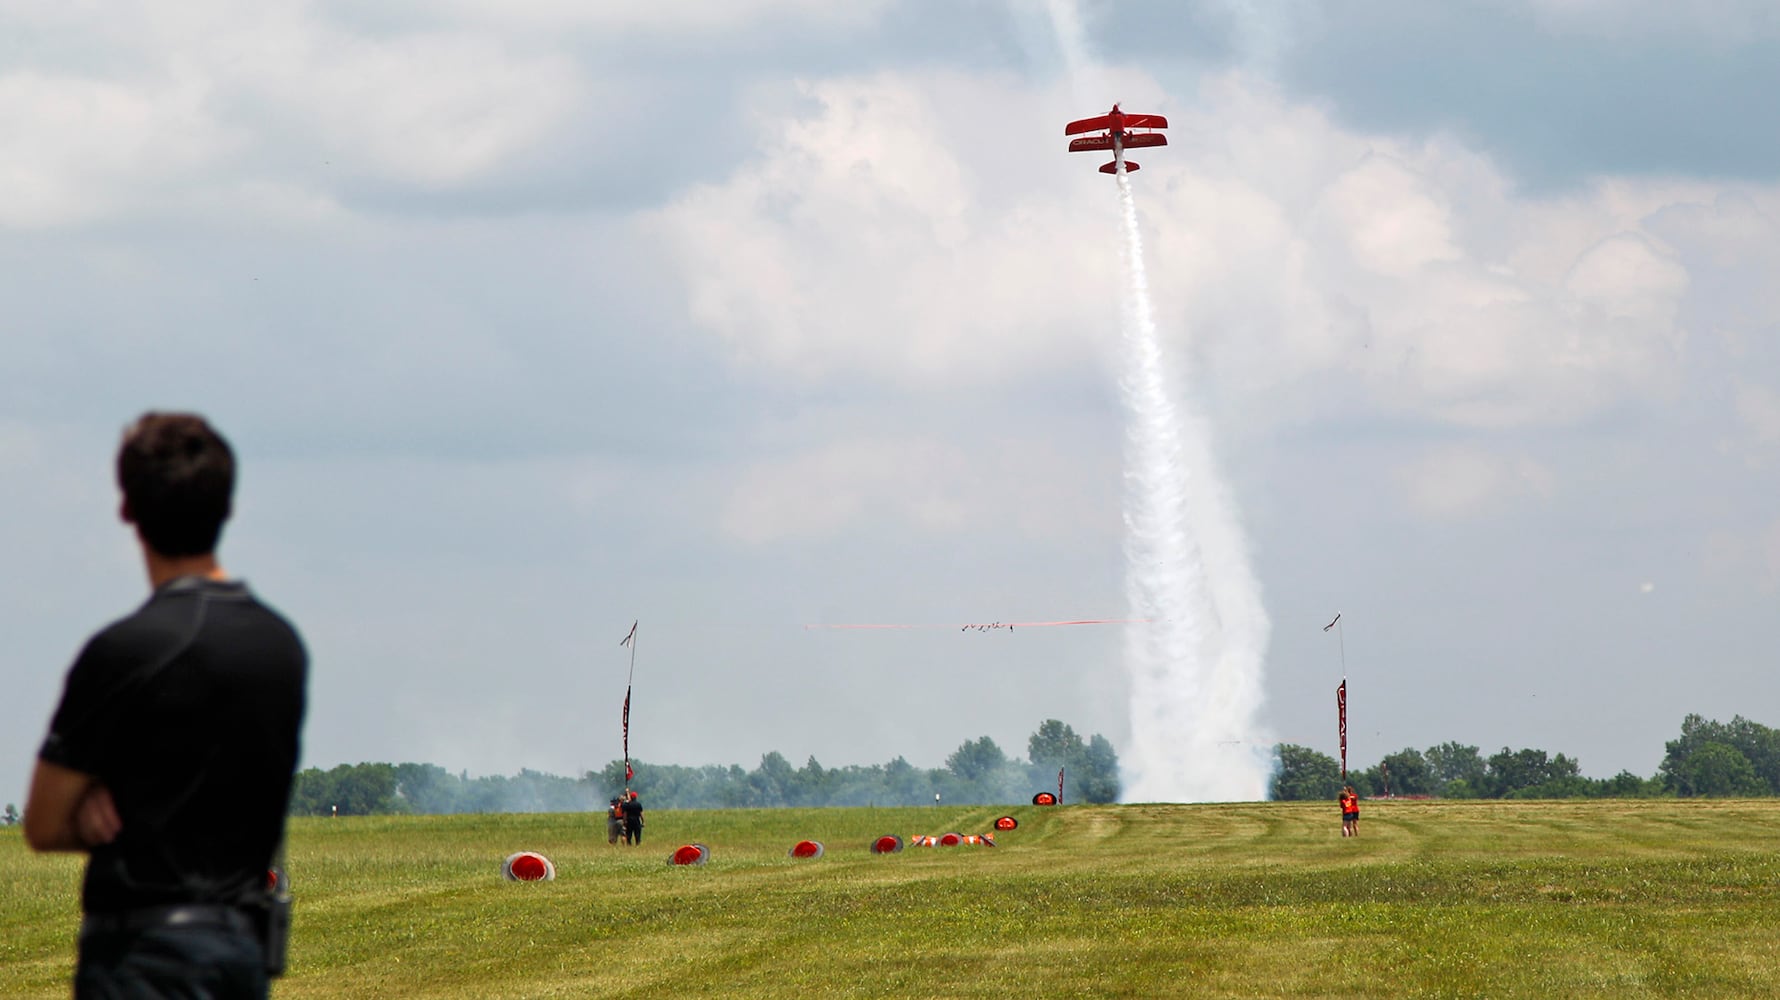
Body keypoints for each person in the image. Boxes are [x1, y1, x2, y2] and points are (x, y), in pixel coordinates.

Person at [24, 412, 308, 999]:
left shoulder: (123, 651)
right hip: (242, 952)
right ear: (226, 508)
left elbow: (44, 822)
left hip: (142, 958)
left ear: (128, 510)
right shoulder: (282, 647)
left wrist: (104, 812)